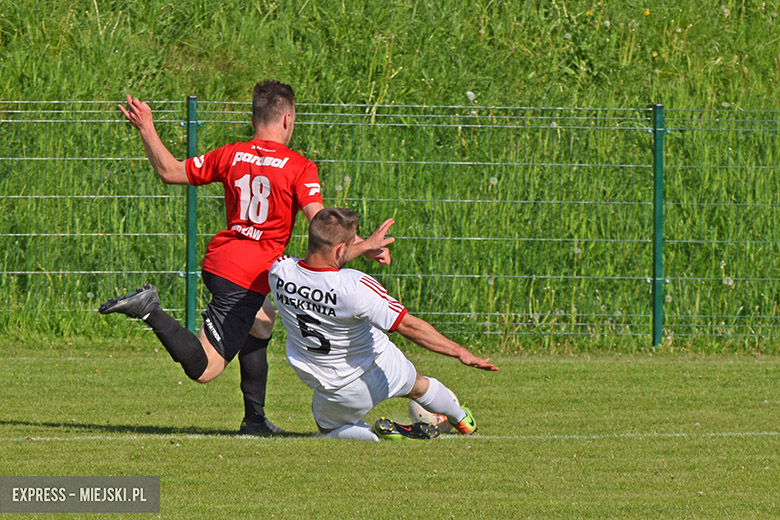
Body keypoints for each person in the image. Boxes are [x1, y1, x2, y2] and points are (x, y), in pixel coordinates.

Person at [99, 81, 393, 435]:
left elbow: (170, 171)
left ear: (254, 118)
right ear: (287, 119)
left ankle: (254, 420)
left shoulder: (231, 154)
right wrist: (362, 244)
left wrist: (147, 127)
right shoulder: (299, 167)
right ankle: (149, 309)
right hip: (245, 276)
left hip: (227, 262)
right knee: (205, 368)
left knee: (262, 322)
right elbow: (321, 224)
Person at [269, 207, 499, 441]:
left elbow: (321, 263)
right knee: (419, 386)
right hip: (382, 364)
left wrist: (364, 246)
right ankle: (462, 419)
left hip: (338, 389)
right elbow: (408, 326)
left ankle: (376, 434)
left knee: (328, 430)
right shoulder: (355, 286)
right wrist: (459, 351)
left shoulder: (280, 272)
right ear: (340, 249)